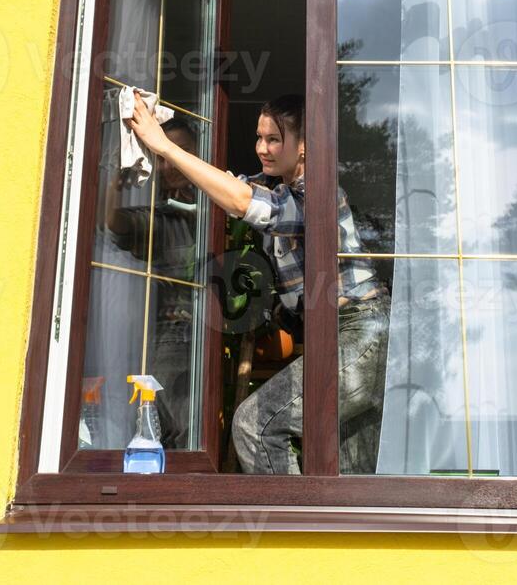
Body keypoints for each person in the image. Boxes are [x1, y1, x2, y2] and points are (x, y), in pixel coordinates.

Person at [124, 93, 390, 474]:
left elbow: (239, 201)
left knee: (256, 425)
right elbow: (229, 190)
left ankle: (290, 529)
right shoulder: (277, 190)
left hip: (362, 333)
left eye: (274, 139)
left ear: (304, 147)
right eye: (259, 137)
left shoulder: (315, 193)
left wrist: (162, 143)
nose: (262, 148)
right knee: (351, 475)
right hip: (339, 335)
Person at [102, 117, 202, 448]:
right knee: (177, 424)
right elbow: (114, 223)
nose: (170, 163)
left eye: (180, 151)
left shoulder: (215, 207)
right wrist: (117, 181)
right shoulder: (161, 219)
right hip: (174, 332)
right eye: (162, 155)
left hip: (216, 333)